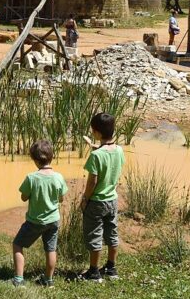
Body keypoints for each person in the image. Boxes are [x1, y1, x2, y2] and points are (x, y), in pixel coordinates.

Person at [11, 139, 68, 288]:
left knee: (17, 244)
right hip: (54, 220)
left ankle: (18, 278)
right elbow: (61, 198)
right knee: (51, 249)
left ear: (36, 161)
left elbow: (23, 196)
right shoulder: (59, 177)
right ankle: (48, 280)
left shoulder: (31, 178)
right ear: (51, 157)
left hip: (35, 221)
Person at [80, 113, 125, 282]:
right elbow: (111, 159)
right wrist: (95, 146)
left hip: (97, 202)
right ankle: (111, 269)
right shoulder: (119, 150)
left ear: (97, 133)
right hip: (112, 200)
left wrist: (85, 199)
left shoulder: (96, 156)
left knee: (94, 235)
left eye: (93, 131)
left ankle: (93, 272)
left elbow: (93, 181)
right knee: (112, 234)